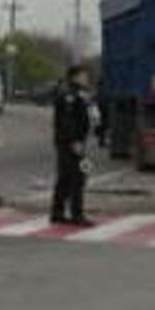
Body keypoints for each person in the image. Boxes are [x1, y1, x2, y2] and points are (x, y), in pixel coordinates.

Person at [51, 64, 97, 226]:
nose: (87, 78)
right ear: (75, 76)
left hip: (72, 141)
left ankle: (57, 212)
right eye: (84, 75)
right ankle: (77, 214)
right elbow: (67, 121)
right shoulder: (68, 94)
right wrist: (74, 141)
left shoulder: (78, 93)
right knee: (77, 178)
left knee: (65, 177)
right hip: (70, 142)